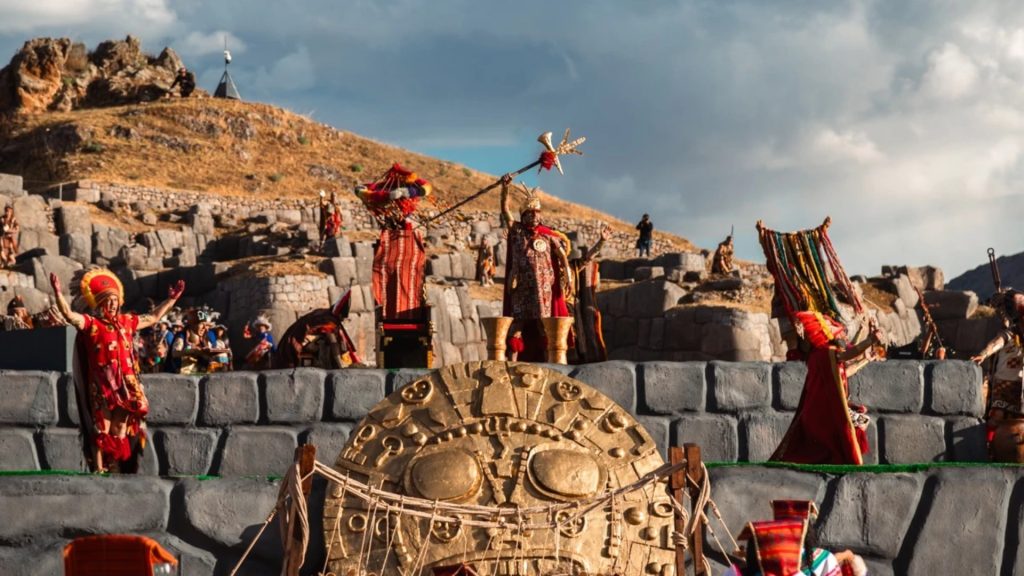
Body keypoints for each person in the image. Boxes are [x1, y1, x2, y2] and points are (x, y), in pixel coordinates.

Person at [50, 269, 184, 473]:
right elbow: (69, 315)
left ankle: (114, 465)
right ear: (100, 303)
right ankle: (98, 467)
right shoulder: (91, 324)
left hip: (127, 385)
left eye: (115, 300)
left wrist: (171, 299)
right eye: (108, 300)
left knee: (120, 426)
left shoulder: (127, 322)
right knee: (101, 427)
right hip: (103, 385)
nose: (112, 304)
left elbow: (154, 317)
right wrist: (58, 293)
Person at [771, 311, 884, 465]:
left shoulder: (822, 353)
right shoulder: (826, 352)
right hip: (824, 411)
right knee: (856, 423)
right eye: (829, 325)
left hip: (820, 409)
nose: (834, 327)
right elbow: (848, 354)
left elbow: (844, 372)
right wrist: (870, 340)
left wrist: (865, 360)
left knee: (859, 421)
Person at [499, 177, 573, 362]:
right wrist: (505, 188)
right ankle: (512, 363)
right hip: (521, 287)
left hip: (544, 288)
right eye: (530, 213)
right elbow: (505, 210)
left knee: (543, 325)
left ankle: (549, 363)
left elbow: (562, 257)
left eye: (536, 213)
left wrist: (568, 279)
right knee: (517, 325)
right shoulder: (516, 231)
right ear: (523, 215)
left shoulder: (548, 235)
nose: (534, 216)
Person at [569, 227, 610, 363]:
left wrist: (601, 241)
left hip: (571, 308)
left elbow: (588, 258)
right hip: (552, 310)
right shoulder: (547, 268)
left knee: (578, 338)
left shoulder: (572, 267)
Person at [171, 308, 216, 374]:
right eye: (201, 324)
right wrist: (192, 351)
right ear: (192, 324)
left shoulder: (205, 338)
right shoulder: (182, 336)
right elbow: (175, 353)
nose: (204, 328)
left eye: (206, 325)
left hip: (201, 374)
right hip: (184, 374)